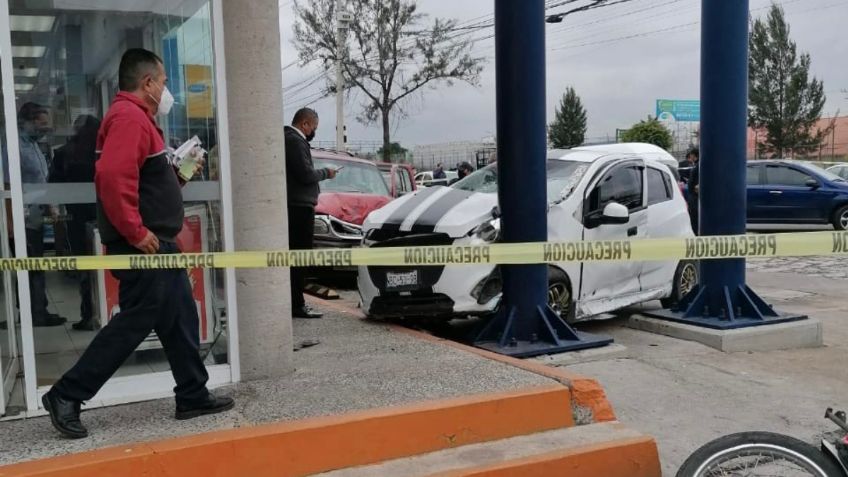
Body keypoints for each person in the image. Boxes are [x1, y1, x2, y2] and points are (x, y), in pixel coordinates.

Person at [43, 49, 233, 440]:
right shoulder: (130, 117)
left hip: (157, 243)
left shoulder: (138, 120)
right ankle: (66, 394)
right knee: (134, 323)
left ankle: (193, 394)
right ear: (147, 83)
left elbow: (144, 182)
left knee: (179, 316)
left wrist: (178, 177)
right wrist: (135, 231)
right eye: (163, 82)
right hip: (145, 245)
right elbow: (112, 178)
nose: (167, 90)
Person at [284, 107, 337, 319]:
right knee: (300, 257)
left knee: (298, 257)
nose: (313, 131)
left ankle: (296, 302)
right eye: (313, 127)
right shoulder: (295, 141)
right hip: (298, 207)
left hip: (298, 205)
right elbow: (305, 174)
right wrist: (326, 173)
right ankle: (297, 304)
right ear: (304, 124)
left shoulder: (292, 140)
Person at [49, 115, 101, 331]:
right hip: (103, 218)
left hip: (76, 221)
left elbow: (53, 186)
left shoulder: (63, 153)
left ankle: (88, 315)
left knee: (84, 270)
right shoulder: (102, 153)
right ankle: (107, 311)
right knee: (107, 267)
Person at [18, 102, 67, 327]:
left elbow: (42, 181)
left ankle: (38, 309)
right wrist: (10, 220)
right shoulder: (15, 147)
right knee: (32, 266)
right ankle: (36, 313)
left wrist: (51, 206)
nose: (45, 128)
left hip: (36, 214)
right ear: (27, 122)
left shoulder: (35, 146)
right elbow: (8, 183)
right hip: (23, 218)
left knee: (36, 263)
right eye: (41, 123)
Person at [686, 147, 700, 235]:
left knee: (695, 217)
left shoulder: (699, 165)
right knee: (693, 216)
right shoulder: (696, 164)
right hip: (692, 194)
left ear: (694, 155)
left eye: (691, 154)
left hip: (695, 196)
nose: (690, 156)